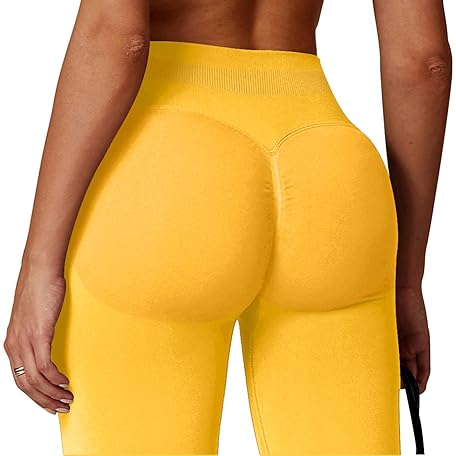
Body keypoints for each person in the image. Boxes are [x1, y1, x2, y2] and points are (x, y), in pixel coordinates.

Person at [3, 0, 451, 454]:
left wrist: (39, 265)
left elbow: (116, 38)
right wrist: (406, 282)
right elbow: (425, 62)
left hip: (165, 176)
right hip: (331, 173)